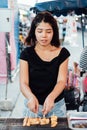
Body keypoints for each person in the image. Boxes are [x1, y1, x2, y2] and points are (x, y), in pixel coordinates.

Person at [20, 11, 70, 118]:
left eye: (48, 31)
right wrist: (30, 97)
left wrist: (51, 97)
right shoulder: (26, 54)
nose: (44, 35)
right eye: (40, 31)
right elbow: (23, 83)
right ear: (34, 32)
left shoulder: (63, 53)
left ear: (54, 32)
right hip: (32, 107)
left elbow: (61, 81)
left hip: (56, 107)